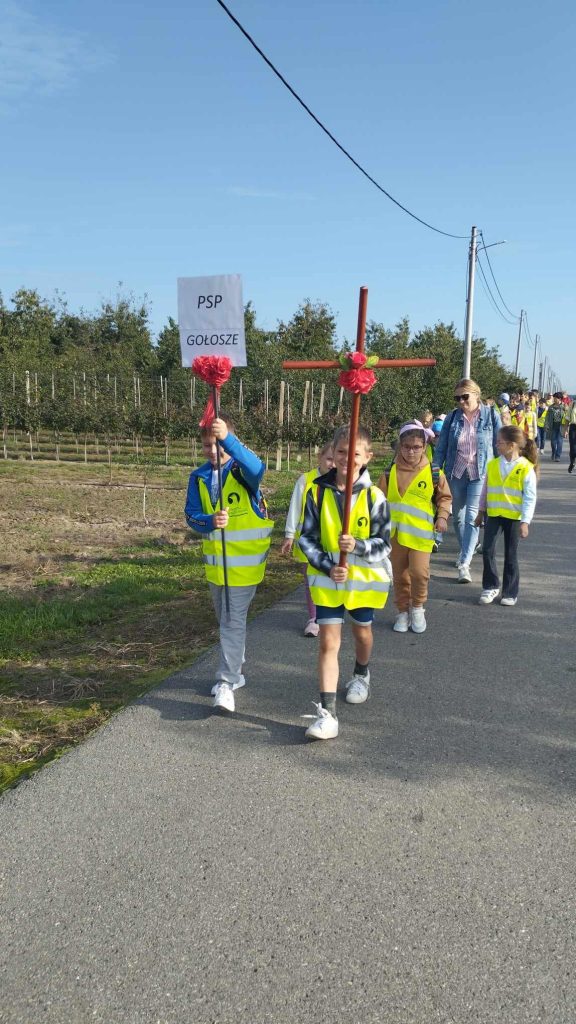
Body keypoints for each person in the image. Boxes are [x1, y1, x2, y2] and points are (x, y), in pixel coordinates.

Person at [298, 424, 391, 741]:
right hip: (329, 582)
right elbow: (307, 539)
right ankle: (327, 715)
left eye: (355, 454)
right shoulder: (316, 492)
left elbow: (384, 543)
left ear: (367, 457)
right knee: (328, 642)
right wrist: (327, 566)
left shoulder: (375, 497)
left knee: (362, 633)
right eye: (341, 452)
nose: (346, 459)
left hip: (363, 582)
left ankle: (362, 673)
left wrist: (358, 546)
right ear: (332, 454)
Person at [184, 413, 273, 712]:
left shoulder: (242, 472)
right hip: (216, 569)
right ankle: (236, 669)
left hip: (244, 568)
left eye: (218, 444)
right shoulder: (198, 477)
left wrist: (229, 440)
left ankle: (226, 681)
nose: (212, 450)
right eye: (206, 445)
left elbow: (257, 466)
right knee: (226, 621)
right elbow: (191, 515)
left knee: (232, 623)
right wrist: (209, 520)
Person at [378, 421, 451, 634]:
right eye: (407, 447)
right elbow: (377, 501)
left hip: (421, 535)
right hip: (396, 535)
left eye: (417, 447)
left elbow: (445, 497)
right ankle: (402, 611)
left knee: (419, 573)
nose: (411, 452)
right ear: (400, 447)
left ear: (424, 447)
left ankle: (418, 607)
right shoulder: (389, 472)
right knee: (400, 576)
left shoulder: (434, 472)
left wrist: (442, 517)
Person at [432, 378, 501, 584]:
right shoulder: (452, 418)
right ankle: (466, 550)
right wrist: (435, 469)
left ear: (476, 395)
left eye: (465, 397)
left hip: (480, 472)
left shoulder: (490, 415)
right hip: (457, 472)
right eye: (457, 398)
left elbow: (500, 444)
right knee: (459, 518)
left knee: (472, 516)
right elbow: (442, 446)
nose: (461, 402)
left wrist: (502, 471)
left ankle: (464, 563)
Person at [475, 426, 538, 607]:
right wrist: (480, 512)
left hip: (514, 517)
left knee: (511, 554)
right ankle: (491, 586)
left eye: (500, 443)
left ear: (512, 445)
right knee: (487, 550)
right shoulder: (493, 464)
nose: (497, 445)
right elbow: (485, 491)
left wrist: (525, 522)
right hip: (494, 514)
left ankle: (510, 592)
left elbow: (530, 497)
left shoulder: (526, 468)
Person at [281, 442, 334, 637]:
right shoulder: (306, 480)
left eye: (337, 460)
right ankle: (314, 618)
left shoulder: (341, 482)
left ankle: (330, 614)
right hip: (308, 541)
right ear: (320, 457)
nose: (332, 464)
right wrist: (289, 534)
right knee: (311, 580)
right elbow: (295, 508)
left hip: (331, 542)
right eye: (329, 459)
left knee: (330, 578)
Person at [545, 392, 567, 462]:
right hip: (553, 425)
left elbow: (567, 417)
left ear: (559, 399)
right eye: (553, 398)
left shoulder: (564, 407)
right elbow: (547, 417)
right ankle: (553, 452)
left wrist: (566, 429)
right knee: (553, 441)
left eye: (555, 398)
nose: (554, 399)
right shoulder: (551, 407)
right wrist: (546, 424)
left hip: (561, 426)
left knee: (560, 441)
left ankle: (558, 456)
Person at [567, 399, 576, 473]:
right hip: (573, 427)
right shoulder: (572, 404)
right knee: (573, 448)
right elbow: (567, 417)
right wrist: (565, 430)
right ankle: (572, 462)